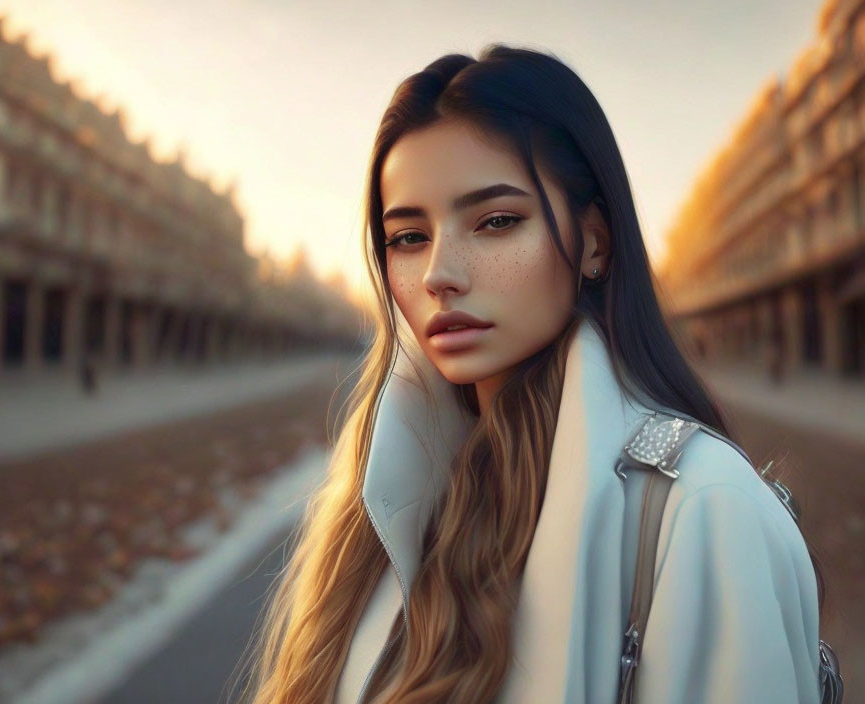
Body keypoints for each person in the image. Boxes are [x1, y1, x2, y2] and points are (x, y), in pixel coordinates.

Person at [234, 45, 826, 704]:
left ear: (594, 241)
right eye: (408, 237)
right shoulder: (383, 501)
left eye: (495, 222)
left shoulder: (706, 509)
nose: (438, 273)